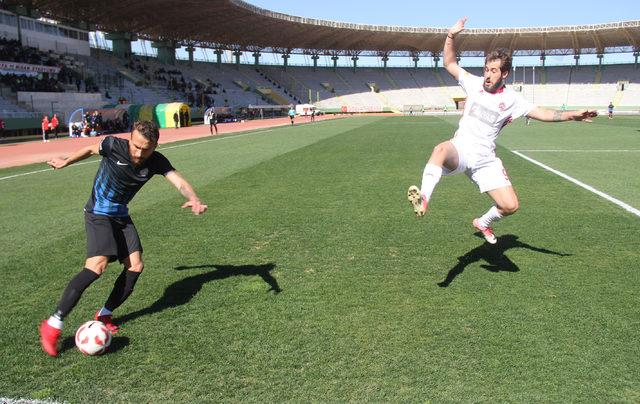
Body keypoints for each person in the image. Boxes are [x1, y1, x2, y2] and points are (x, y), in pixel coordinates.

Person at [407, 17, 597, 245]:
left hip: (486, 159)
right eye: (486, 69)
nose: (488, 74)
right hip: (462, 149)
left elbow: (542, 113)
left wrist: (571, 115)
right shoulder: (474, 84)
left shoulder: (512, 100)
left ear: (504, 74)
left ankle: (483, 222)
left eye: (494, 70)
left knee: (510, 206)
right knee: (440, 149)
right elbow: (449, 64)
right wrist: (450, 35)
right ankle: (424, 198)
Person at [39, 120, 208, 357]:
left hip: (121, 215)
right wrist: (66, 161)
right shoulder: (113, 145)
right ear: (130, 138)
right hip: (98, 213)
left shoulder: (157, 160)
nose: (139, 153)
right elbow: (89, 148)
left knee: (135, 266)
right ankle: (53, 324)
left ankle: (105, 313)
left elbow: (178, 181)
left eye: (145, 149)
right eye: (136, 146)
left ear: (155, 145)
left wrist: (194, 198)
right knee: (96, 266)